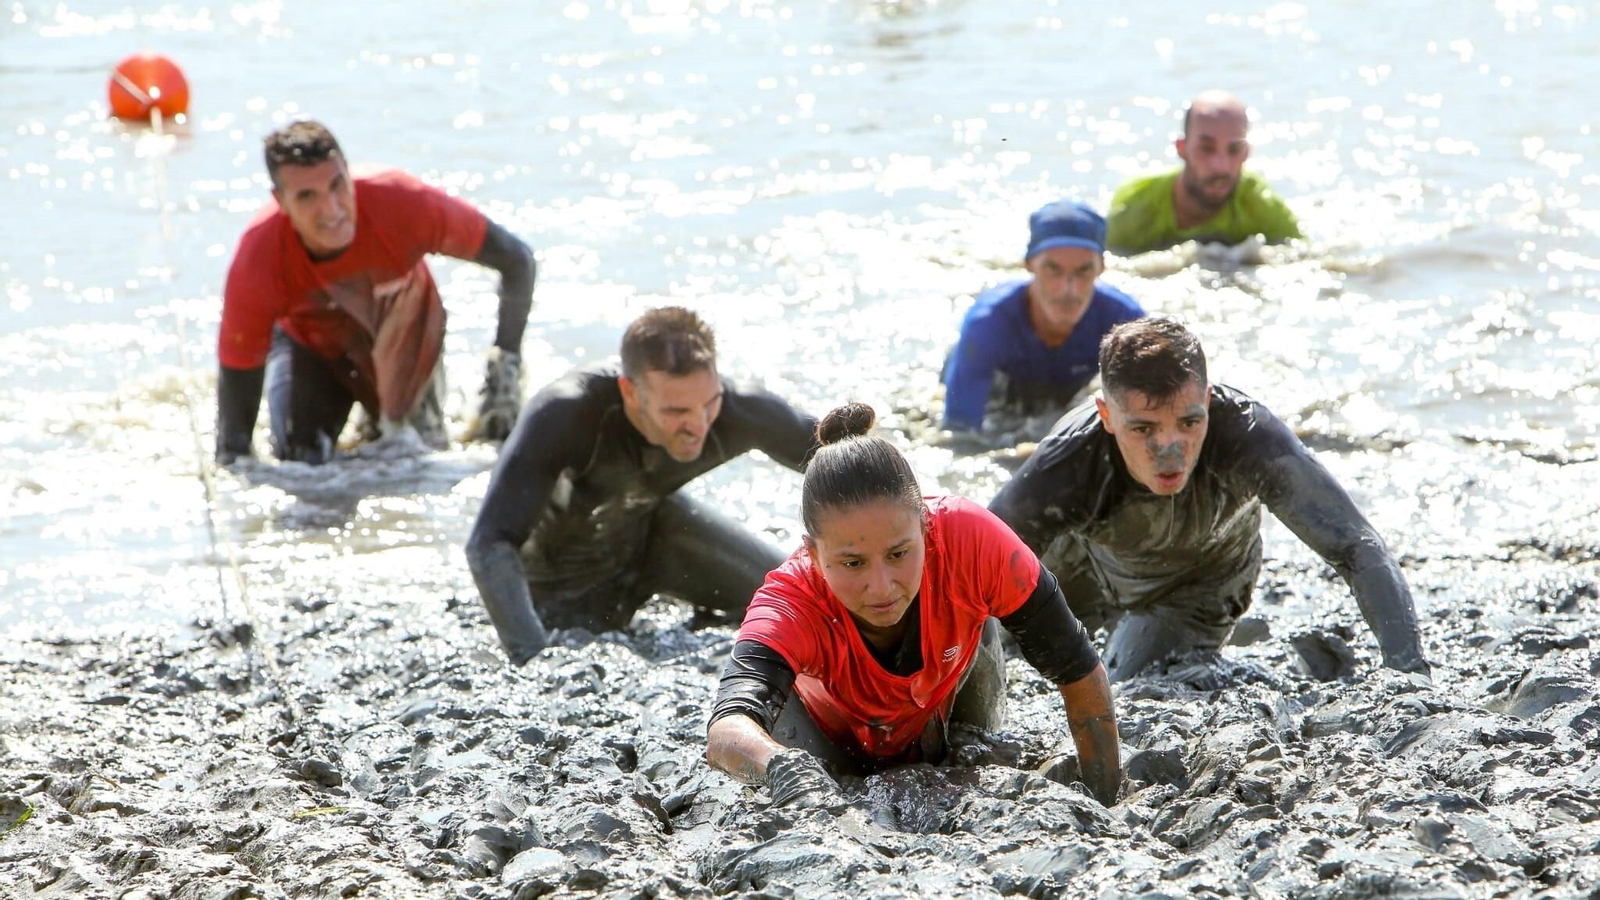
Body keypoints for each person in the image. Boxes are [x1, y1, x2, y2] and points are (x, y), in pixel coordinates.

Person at [706, 403, 1122, 808]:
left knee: (983, 748)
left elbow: (1078, 669)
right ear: (814, 556)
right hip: (826, 740)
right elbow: (726, 730)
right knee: (821, 799)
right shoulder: (791, 603)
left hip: (946, 702)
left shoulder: (972, 540)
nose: (881, 587)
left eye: (899, 554)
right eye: (852, 563)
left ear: (925, 526)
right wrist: (782, 769)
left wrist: (1105, 803)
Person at [988, 317, 1430, 682]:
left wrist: (1410, 676)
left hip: (1197, 582)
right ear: (1106, 415)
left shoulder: (1247, 437)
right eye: (1143, 429)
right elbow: (971, 567)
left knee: (1129, 693)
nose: (1169, 450)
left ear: (1208, 399)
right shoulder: (1068, 463)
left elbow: (1356, 547)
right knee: (1010, 653)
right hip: (1082, 559)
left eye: (1188, 423)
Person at [467, 306, 818, 665]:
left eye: (710, 403)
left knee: (809, 610)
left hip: (656, 542)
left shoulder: (740, 409)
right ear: (631, 393)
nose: (699, 426)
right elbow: (489, 543)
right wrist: (533, 659)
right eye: (676, 412)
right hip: (556, 582)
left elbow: (848, 458)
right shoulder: (566, 414)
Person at [215, 119, 536, 465]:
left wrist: (503, 375)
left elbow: (518, 262)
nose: (332, 210)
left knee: (418, 457)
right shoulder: (258, 260)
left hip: (403, 332)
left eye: (337, 185)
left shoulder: (402, 202)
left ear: (349, 173)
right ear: (281, 202)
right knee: (299, 464)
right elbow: (234, 446)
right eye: (307, 196)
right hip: (314, 345)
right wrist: (236, 470)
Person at [942, 200, 1144, 432]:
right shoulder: (988, 324)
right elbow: (959, 429)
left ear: (1101, 268)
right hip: (989, 383)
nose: (1068, 289)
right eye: (1053, 270)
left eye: (1083, 271)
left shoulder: (1124, 321)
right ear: (1029, 264)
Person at [1105, 90, 1302, 256]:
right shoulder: (1135, 208)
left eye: (1234, 149)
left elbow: (1306, 257)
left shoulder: (1260, 204)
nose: (1221, 166)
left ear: (1246, 153)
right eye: (1207, 148)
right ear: (1181, 148)